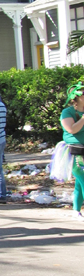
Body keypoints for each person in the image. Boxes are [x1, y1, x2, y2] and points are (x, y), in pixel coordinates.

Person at [56, 80, 84, 221]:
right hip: (74, 151)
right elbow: (72, 129)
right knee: (83, 178)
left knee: (80, 183)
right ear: (77, 96)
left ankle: (76, 210)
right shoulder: (68, 112)